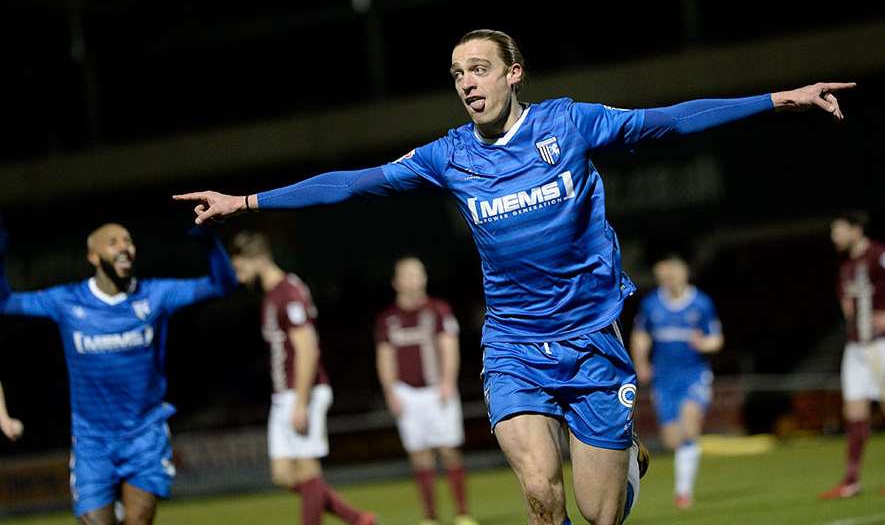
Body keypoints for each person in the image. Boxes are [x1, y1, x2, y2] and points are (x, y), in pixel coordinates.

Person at [175, 29, 853, 525]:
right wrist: (248, 201)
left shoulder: (571, 123)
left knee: (598, 514)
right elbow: (353, 183)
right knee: (538, 490)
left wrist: (776, 99)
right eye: (455, 73)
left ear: (513, 74)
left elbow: (671, 121)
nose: (466, 81)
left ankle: (623, 467)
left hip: (590, 339)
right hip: (514, 346)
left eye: (478, 68)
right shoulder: (448, 155)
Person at [0, 223, 236, 524]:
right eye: (112, 242)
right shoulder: (67, 301)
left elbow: (223, 286)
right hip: (91, 442)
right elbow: (5, 303)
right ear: (93, 256)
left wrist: (210, 242)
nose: (124, 247)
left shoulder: (155, 295)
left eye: (128, 240)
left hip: (145, 437)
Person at [228, 231, 376, 525]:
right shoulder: (272, 294)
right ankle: (358, 519)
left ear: (255, 259)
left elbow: (307, 349)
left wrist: (300, 402)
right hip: (285, 394)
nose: (238, 275)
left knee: (308, 471)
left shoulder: (288, 292)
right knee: (282, 474)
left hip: (302, 391)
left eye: (239, 267)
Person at [375, 256, 478, 525]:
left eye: (418, 273)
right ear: (396, 282)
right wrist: (390, 392)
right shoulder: (388, 319)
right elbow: (384, 357)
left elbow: (449, 346)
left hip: (437, 389)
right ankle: (430, 516)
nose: (414, 279)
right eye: (407, 275)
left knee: (449, 450)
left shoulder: (438, 310)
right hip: (406, 392)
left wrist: (447, 381)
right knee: (419, 455)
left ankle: (462, 513)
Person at [630, 255, 722, 508]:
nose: (668, 280)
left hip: (694, 374)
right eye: (664, 277)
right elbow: (640, 336)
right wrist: (641, 364)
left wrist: (703, 343)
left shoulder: (701, 303)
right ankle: (683, 483)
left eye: (671, 275)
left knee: (690, 426)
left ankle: (683, 492)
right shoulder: (652, 305)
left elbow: (716, 339)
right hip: (664, 379)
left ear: (683, 274)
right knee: (672, 439)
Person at [820, 211, 885, 499]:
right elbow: (846, 302)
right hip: (856, 347)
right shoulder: (846, 266)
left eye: (839, 230)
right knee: (854, 414)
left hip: (881, 343)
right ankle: (851, 480)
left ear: (856, 230)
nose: (835, 236)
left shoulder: (879, 254)